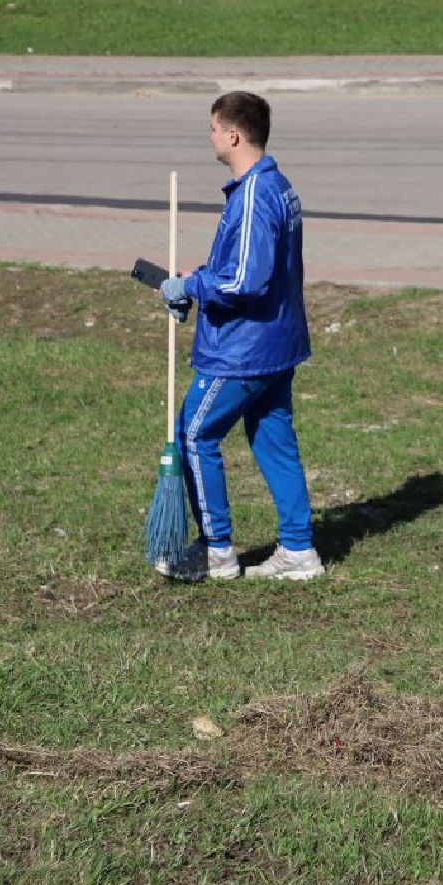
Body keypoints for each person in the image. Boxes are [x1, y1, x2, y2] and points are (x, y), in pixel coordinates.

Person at [156, 91, 323, 582]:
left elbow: (246, 281)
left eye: (212, 128)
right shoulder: (274, 186)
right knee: (274, 441)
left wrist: (192, 285)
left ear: (232, 135)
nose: (209, 136)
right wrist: (198, 278)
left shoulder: (253, 195)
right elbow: (243, 267)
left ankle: (216, 552)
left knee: (193, 434)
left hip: (244, 351)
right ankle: (299, 551)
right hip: (275, 344)